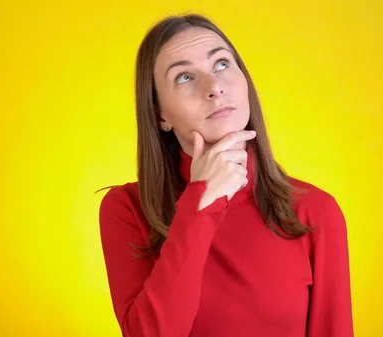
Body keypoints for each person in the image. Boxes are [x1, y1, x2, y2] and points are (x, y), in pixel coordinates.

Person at [98, 13, 354, 337]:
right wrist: (201, 204)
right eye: (184, 78)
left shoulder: (315, 211)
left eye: (221, 64)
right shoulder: (126, 209)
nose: (214, 87)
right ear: (160, 114)